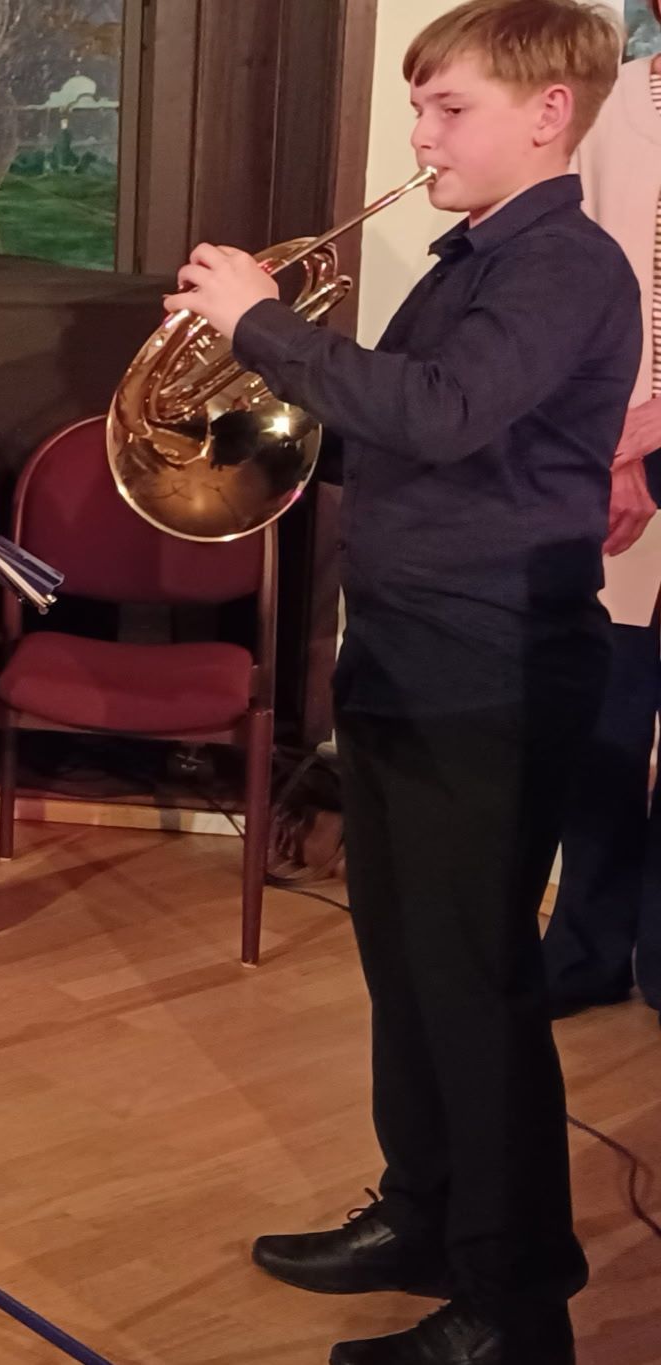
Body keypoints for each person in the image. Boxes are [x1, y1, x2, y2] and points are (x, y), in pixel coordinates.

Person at [169, 3, 638, 1360]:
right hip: (409, 648)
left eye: (450, 110)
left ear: (549, 113)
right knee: (407, 962)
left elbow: (436, 410)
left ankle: (514, 1305)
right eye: (420, 109)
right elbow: (394, 422)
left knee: (475, 983)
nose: (422, 137)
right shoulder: (470, 259)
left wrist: (263, 322)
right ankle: (426, 1211)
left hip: (487, 668)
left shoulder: (567, 267)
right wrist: (237, 371)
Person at [543, 0, 661, 1027]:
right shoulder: (615, 100)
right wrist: (613, 439)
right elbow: (581, 285)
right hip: (609, 435)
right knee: (603, 707)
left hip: (644, 425)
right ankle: (583, 945)